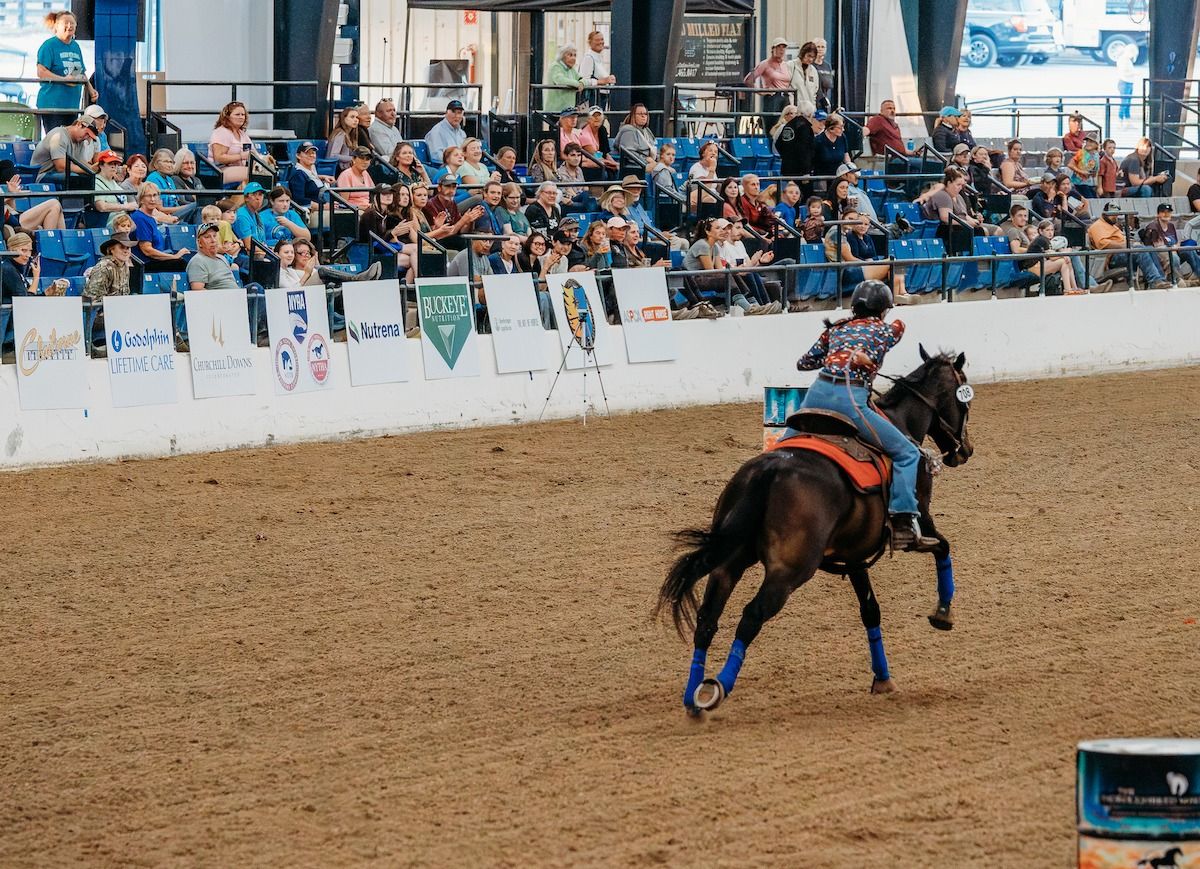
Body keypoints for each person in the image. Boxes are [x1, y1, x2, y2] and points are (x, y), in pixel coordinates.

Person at [794, 280, 939, 551]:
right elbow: (899, 327)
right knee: (908, 453)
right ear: (883, 310)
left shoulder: (835, 329)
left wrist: (839, 343)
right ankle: (903, 519)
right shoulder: (886, 329)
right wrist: (867, 360)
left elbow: (804, 363)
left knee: (782, 447)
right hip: (850, 400)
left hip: (815, 394)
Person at [35, 10, 96, 135]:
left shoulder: (75, 46)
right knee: (56, 139)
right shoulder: (49, 46)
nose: (70, 26)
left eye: (72, 23)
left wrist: (90, 89)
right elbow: (41, 72)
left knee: (70, 140)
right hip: (52, 105)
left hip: (72, 105)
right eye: (66, 23)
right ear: (56, 26)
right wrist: (63, 79)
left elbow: (80, 71)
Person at [1087, 202, 1170, 289]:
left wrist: (1132, 244)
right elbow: (1102, 243)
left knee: (1149, 248)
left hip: (1126, 252)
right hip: (1113, 257)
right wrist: (1126, 245)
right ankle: (1154, 281)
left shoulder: (1113, 226)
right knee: (1139, 250)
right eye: (1112, 214)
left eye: (1116, 214)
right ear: (1104, 214)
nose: (1115, 216)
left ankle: (1160, 280)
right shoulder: (1097, 226)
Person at [131, 183, 189, 273]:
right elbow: (147, 250)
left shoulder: (150, 218)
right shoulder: (139, 218)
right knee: (180, 263)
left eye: (155, 195)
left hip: (155, 260)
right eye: (148, 196)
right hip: (146, 264)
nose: (152, 199)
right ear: (141, 199)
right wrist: (174, 257)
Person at [1140, 202, 1200, 285]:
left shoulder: (1171, 226)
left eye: (1168, 212)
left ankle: (1198, 274)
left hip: (1172, 251)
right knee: (1174, 257)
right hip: (1160, 256)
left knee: (1189, 250)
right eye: (1163, 212)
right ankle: (1177, 280)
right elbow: (1158, 248)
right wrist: (1173, 248)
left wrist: (1175, 247)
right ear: (1158, 214)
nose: (1166, 214)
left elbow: (1176, 243)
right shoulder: (1153, 227)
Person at [31, 113, 99, 182]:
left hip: (57, 174)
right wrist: (88, 170)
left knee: (92, 177)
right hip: (41, 175)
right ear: (78, 124)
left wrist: (97, 169)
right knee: (74, 178)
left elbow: (81, 163)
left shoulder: (80, 140)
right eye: (86, 133)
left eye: (89, 136)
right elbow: (61, 167)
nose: (86, 138)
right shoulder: (58, 136)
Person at [2, 160, 65, 232]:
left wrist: (12, 196)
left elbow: (12, 209)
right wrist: (10, 195)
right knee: (54, 204)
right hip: (11, 223)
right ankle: (47, 240)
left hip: (13, 218)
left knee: (58, 207)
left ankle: (61, 242)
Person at [1021, 218, 1080, 293]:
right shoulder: (1042, 239)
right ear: (1040, 231)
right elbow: (1052, 257)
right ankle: (1068, 290)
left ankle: (1074, 288)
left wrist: (1064, 253)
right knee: (1063, 261)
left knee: (1067, 261)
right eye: (1047, 230)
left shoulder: (1046, 240)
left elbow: (1053, 252)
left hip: (1040, 265)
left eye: (1052, 230)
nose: (1050, 233)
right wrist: (1064, 254)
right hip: (1032, 268)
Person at [744, 37, 794, 120]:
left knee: (787, 123)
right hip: (773, 97)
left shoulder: (786, 65)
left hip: (786, 97)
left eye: (783, 47)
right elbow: (748, 80)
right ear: (773, 49)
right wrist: (761, 92)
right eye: (778, 47)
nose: (781, 50)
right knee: (772, 123)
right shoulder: (765, 64)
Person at [288, 141, 335, 225]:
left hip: (320, 208)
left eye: (313, 153)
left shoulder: (312, 170)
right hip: (309, 213)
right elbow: (299, 199)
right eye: (307, 153)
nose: (312, 155)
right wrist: (323, 207)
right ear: (298, 155)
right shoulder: (298, 174)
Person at [208, 101, 254, 185]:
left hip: (240, 168)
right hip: (220, 170)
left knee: (264, 171)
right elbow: (218, 158)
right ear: (227, 117)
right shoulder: (222, 132)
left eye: (243, 115)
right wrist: (241, 156)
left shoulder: (242, 134)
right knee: (254, 173)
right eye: (237, 114)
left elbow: (253, 153)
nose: (241, 117)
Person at [146, 147, 196, 222]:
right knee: (198, 205)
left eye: (171, 162)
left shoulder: (170, 179)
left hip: (176, 214)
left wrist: (187, 208)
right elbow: (160, 209)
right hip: (163, 216)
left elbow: (177, 202)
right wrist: (188, 207)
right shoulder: (153, 178)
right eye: (166, 161)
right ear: (156, 164)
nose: (170, 165)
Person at [187, 222, 240, 290]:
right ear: (200, 243)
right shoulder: (198, 261)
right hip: (221, 298)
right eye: (207, 237)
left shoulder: (222, 258)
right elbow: (198, 291)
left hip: (236, 296)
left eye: (214, 236)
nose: (213, 240)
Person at [83, 231, 135, 299]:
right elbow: (94, 298)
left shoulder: (125, 266)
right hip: (101, 307)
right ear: (111, 250)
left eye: (128, 248)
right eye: (121, 247)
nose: (126, 251)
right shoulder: (103, 267)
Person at [92, 149, 136, 227]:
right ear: (101, 165)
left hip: (124, 221)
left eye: (116, 164)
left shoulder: (115, 183)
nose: (114, 166)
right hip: (110, 223)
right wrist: (126, 206)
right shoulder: (96, 182)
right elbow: (101, 207)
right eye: (110, 163)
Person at [612, 104, 658, 173]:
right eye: (640, 114)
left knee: (669, 169)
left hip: (648, 162)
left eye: (645, 114)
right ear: (633, 116)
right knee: (661, 170)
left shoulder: (647, 130)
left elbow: (653, 147)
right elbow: (629, 154)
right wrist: (646, 160)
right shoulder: (628, 130)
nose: (643, 116)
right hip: (634, 165)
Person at [578, 30, 617, 107]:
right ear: (590, 42)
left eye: (602, 39)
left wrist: (610, 80)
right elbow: (583, 81)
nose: (600, 42)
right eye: (597, 40)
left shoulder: (599, 58)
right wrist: (603, 81)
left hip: (602, 97)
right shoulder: (589, 58)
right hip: (593, 100)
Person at [424, 100, 468, 165]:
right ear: (446, 113)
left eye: (459, 112)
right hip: (444, 168)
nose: (457, 116)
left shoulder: (462, 133)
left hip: (461, 166)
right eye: (453, 112)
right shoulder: (437, 131)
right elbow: (436, 157)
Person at [326, 105, 369, 171]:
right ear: (344, 118)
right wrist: (352, 158)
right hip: (337, 170)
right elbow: (332, 155)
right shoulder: (340, 134)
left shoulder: (351, 134)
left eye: (357, 117)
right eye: (352, 117)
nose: (355, 120)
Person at [812, 114, 851, 185]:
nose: (843, 130)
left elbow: (846, 154)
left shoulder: (842, 137)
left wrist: (849, 166)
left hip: (838, 176)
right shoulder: (818, 141)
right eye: (840, 127)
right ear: (831, 128)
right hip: (822, 177)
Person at [1, 232, 40, 302]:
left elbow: (27, 295)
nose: (28, 255)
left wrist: (46, 293)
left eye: (30, 251)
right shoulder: (8, 269)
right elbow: (24, 302)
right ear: (11, 250)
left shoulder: (16, 267)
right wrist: (36, 277)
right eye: (24, 250)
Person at [545, 46, 585, 113]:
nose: (573, 58)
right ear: (562, 56)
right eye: (570, 55)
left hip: (568, 110)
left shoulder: (571, 69)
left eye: (575, 55)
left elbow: (581, 79)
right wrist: (577, 84)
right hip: (557, 109)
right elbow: (560, 80)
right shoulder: (556, 66)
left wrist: (582, 83)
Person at [789, 41, 821, 118]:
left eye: (813, 57)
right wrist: (792, 108)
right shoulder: (790, 66)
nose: (810, 59)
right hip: (795, 110)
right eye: (809, 56)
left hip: (810, 112)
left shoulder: (813, 71)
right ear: (803, 54)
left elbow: (814, 93)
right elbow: (788, 89)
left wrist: (814, 110)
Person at [1116, 42, 1139, 123]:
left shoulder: (1126, 60)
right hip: (1125, 82)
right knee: (1124, 103)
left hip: (1128, 82)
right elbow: (1124, 72)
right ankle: (1121, 121)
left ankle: (1127, 121)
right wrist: (1134, 73)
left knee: (1127, 103)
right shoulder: (1123, 60)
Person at [812, 37, 834, 112]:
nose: (820, 49)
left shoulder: (827, 66)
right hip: (813, 102)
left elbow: (829, 84)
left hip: (824, 102)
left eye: (823, 47)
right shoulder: (810, 65)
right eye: (818, 47)